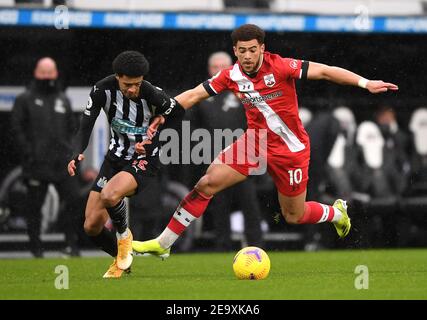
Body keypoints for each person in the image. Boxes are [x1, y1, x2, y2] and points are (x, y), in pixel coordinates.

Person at [132, 24, 398, 257]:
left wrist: (365, 83)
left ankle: (336, 213)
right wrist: (163, 115)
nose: (247, 56)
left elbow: (326, 72)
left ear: (262, 48)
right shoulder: (230, 75)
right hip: (255, 144)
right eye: (241, 50)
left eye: (252, 49)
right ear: (235, 51)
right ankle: (164, 243)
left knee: (293, 215)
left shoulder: (281, 66)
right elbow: (192, 95)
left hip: (291, 150)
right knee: (207, 182)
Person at [67, 51, 184, 278]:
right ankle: (123, 261)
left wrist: (153, 141)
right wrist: (76, 153)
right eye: (128, 84)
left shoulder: (152, 93)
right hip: (114, 158)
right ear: (117, 77)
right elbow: (86, 124)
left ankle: (124, 238)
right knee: (91, 225)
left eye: (137, 84)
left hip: (144, 159)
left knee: (110, 195)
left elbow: (178, 114)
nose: (133, 89)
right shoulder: (102, 89)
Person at [187, 51, 264, 251]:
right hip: (215, 161)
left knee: (250, 204)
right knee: (220, 206)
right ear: (209, 69)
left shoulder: (245, 91)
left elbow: (258, 123)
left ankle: (257, 245)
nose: (219, 70)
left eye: (223, 66)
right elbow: (190, 128)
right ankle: (223, 247)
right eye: (215, 66)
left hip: (243, 159)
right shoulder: (201, 94)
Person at [10, 57, 80, 258]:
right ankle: (36, 248)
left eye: (51, 73)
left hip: (62, 164)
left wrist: (72, 155)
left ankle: (70, 245)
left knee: (74, 200)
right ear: (36, 74)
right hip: (36, 165)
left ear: (56, 74)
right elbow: (16, 130)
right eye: (44, 73)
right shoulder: (25, 99)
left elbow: (72, 130)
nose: (48, 77)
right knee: (34, 208)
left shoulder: (62, 99)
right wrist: (29, 154)